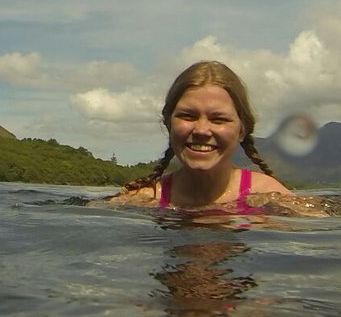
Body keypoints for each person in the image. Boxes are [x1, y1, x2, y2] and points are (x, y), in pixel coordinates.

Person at [108, 60, 292, 212]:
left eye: (218, 119)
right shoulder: (139, 201)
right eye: (188, 116)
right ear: (168, 123)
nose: (201, 130)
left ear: (242, 131)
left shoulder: (273, 200)